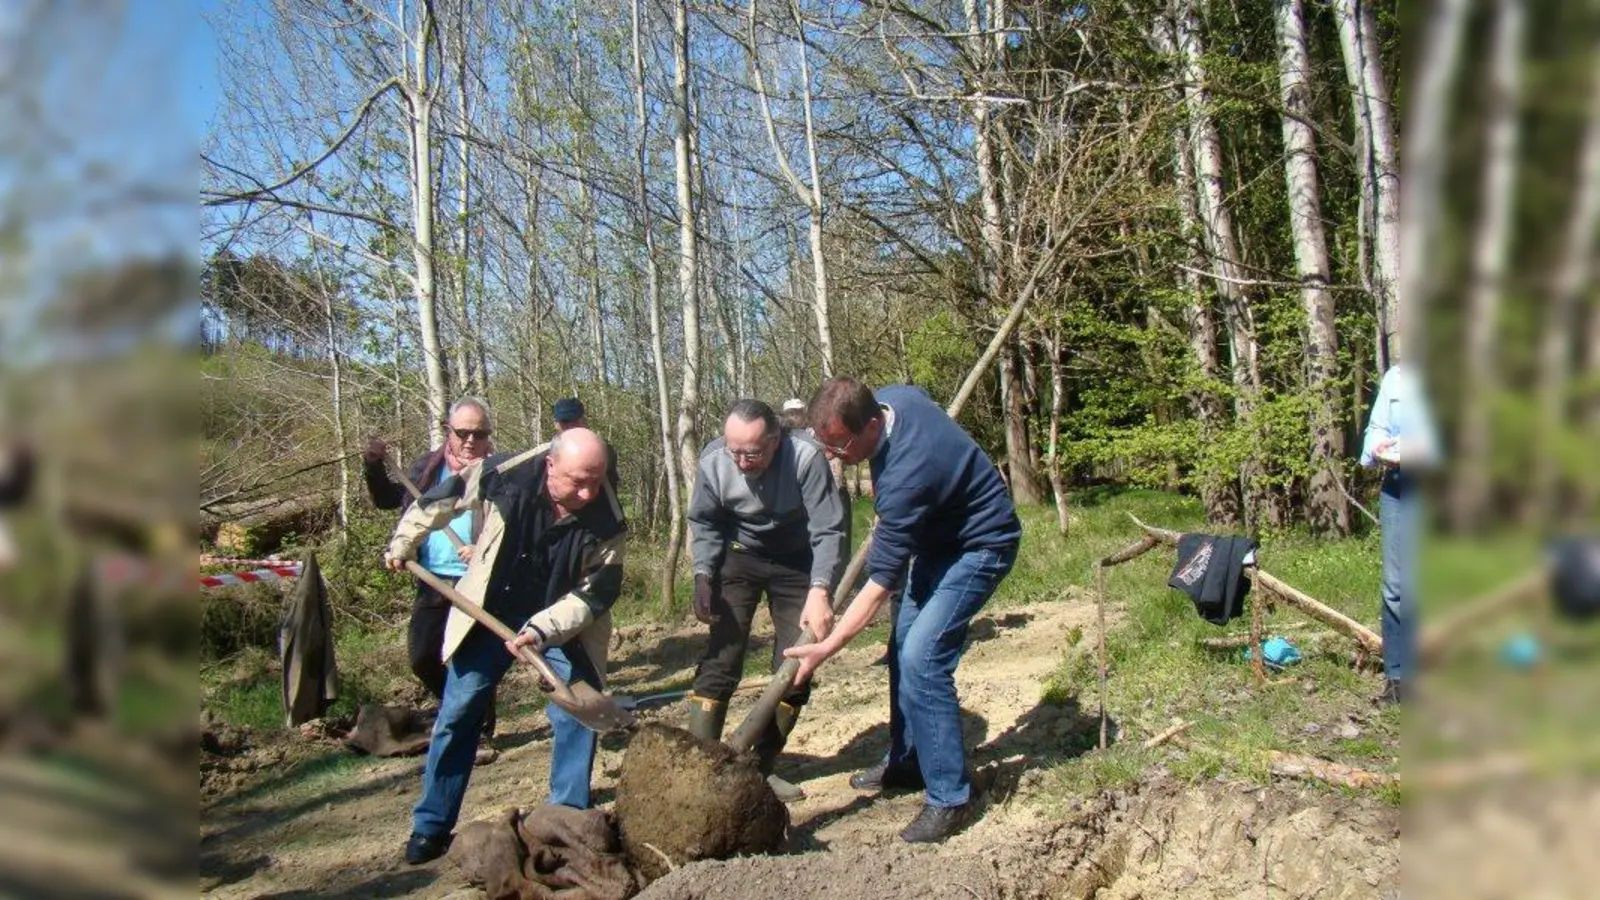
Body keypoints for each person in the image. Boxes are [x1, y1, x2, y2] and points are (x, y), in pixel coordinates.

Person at [784, 378, 1021, 844]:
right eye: (826, 444)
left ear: (873, 425)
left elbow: (878, 587)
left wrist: (827, 647)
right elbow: (917, 397)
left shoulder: (907, 476)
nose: (834, 455)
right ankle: (909, 760)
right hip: (935, 542)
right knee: (901, 648)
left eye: (841, 446)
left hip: (981, 545)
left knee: (922, 658)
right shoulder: (895, 398)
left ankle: (950, 798)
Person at [383, 429, 626, 865]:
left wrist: (542, 629)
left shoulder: (607, 518)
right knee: (459, 712)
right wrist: (405, 540)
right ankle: (431, 825)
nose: (588, 493)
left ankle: (566, 818)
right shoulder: (507, 473)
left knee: (577, 710)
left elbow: (596, 594)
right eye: (577, 482)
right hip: (490, 608)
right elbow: (442, 498)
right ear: (550, 466)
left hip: (560, 620)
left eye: (596, 480)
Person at [684, 399, 847, 802]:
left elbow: (828, 529)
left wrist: (821, 589)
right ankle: (700, 770)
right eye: (734, 451)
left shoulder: (806, 458)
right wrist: (703, 575)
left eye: (752, 453)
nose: (742, 462)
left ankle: (758, 770)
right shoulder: (714, 460)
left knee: (795, 667)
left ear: (776, 439)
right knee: (722, 658)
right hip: (740, 557)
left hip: (798, 563)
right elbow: (705, 521)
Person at [362, 398, 500, 742]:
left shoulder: (500, 472)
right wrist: (373, 466)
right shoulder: (427, 468)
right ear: (448, 432)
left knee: (470, 660)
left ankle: (478, 728)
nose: (471, 441)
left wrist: (484, 549)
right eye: (463, 433)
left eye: (479, 434)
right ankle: (462, 711)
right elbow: (387, 499)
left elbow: (515, 525)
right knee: (423, 657)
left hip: (477, 581)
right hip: (433, 578)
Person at [1359, 361, 1439, 706]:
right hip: (1398, 487)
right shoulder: (1396, 377)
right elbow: (1377, 427)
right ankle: (1398, 678)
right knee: (1396, 586)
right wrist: (1378, 447)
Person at [552, 397, 620, 491]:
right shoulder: (548, 452)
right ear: (556, 424)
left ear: (584, 421)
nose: (570, 426)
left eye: (575, 421)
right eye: (565, 422)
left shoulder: (601, 449)